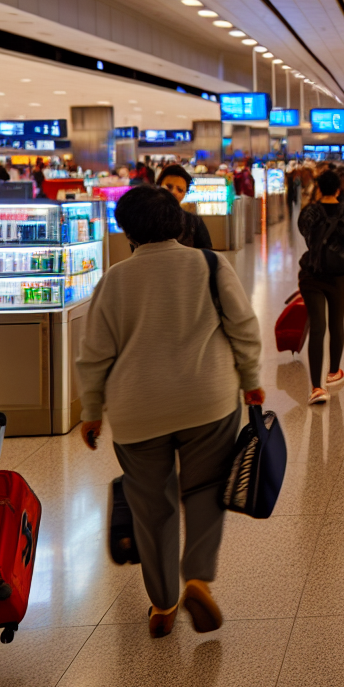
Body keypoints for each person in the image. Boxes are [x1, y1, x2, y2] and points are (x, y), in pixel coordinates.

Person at [74, 186, 265, 638]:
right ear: (179, 223)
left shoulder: (114, 280)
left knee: (151, 505)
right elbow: (243, 326)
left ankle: (162, 604)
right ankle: (197, 577)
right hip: (207, 400)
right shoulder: (211, 265)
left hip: (138, 410)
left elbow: (94, 354)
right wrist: (251, 380)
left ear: (126, 232)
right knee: (204, 489)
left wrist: (93, 410)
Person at [297, 167, 344, 404]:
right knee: (336, 322)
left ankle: (317, 388)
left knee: (317, 327)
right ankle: (334, 372)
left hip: (313, 274)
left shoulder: (310, 212)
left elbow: (305, 233)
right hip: (340, 276)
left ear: (319, 188)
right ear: (339, 189)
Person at [156, 165, 216, 250]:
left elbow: (206, 255)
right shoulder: (146, 219)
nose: (173, 192)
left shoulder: (194, 223)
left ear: (184, 195)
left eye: (180, 190)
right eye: (169, 187)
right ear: (158, 186)